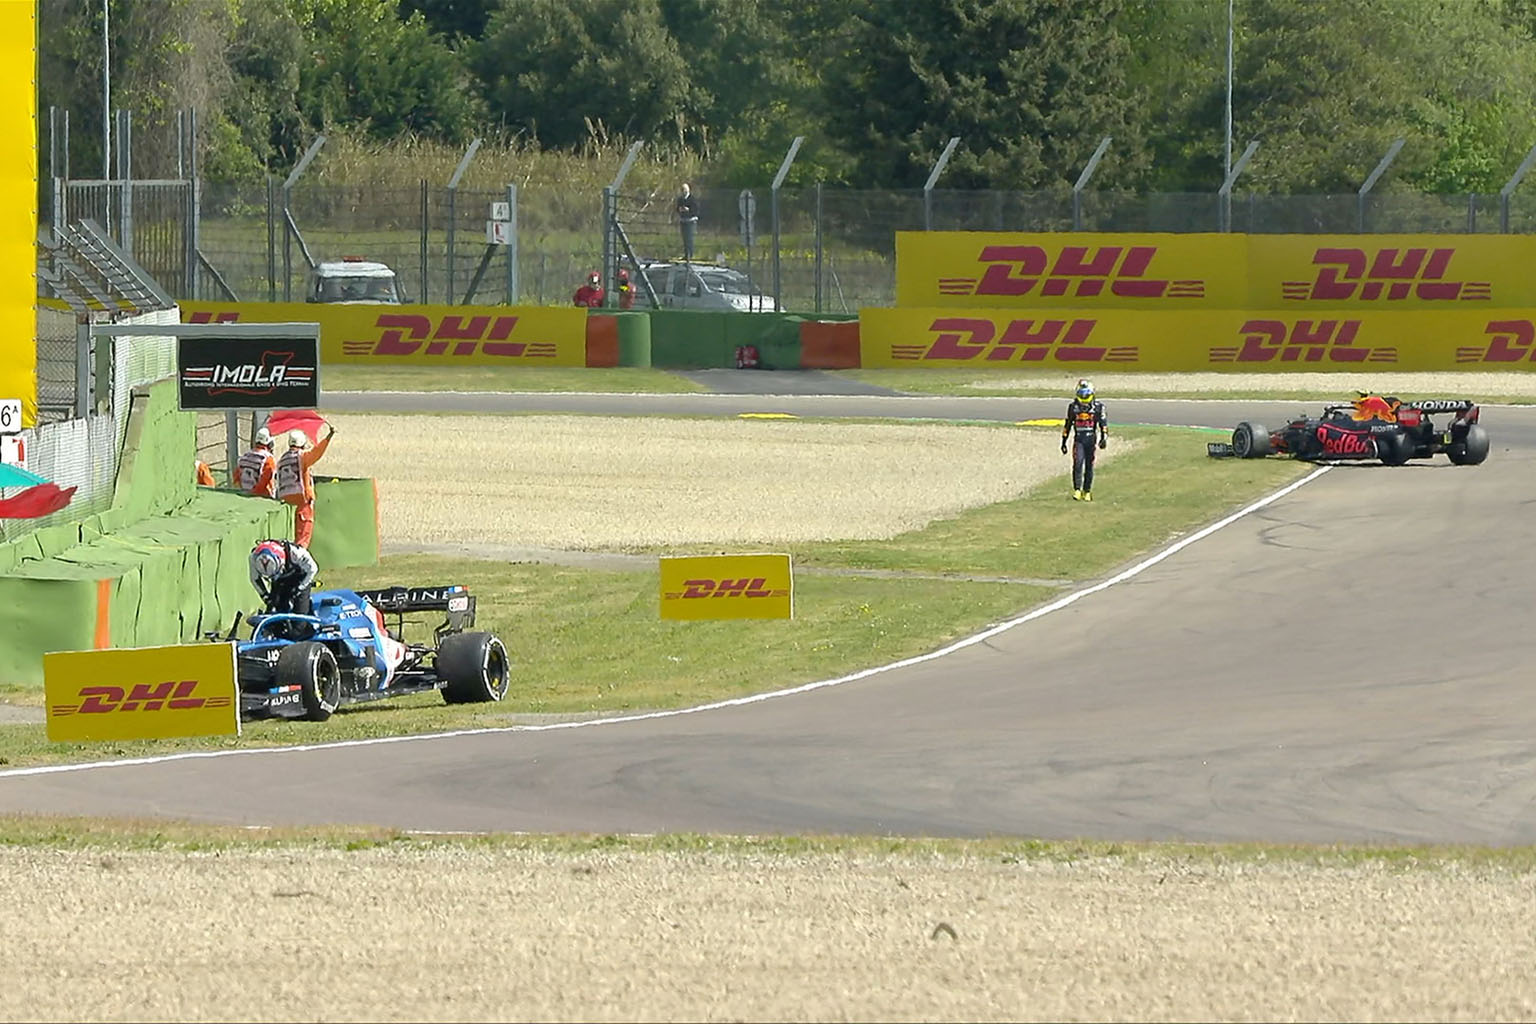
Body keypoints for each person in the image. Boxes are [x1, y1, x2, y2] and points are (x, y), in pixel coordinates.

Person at [276, 424, 335, 547]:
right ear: (302, 443)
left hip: (286, 503)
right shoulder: (302, 457)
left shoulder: (282, 459)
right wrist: (328, 437)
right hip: (303, 502)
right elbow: (317, 453)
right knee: (303, 538)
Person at [1061, 378, 1108, 501]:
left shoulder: (1099, 407)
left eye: (1085, 394)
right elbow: (1068, 424)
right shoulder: (1072, 407)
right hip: (1079, 440)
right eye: (1081, 394)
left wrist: (1104, 438)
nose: (1083, 397)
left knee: (1089, 465)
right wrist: (1063, 442)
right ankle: (1077, 489)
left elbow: (1103, 424)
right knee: (1077, 463)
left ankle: (1087, 491)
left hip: (1091, 440)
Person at [249, 538, 318, 617]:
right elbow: (254, 579)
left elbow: (313, 569)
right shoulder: (253, 557)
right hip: (279, 581)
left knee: (300, 616)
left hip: (300, 578)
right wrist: (265, 596)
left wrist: (300, 588)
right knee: (273, 611)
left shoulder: (296, 553)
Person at [235, 426, 277, 498]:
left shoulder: (244, 457)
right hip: (262, 497)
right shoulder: (268, 459)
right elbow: (266, 480)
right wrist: (255, 493)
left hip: (243, 496)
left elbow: (236, 478)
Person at [675, 182, 699, 261]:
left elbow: (695, 211)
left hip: (691, 222)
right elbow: (677, 209)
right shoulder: (680, 199)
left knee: (690, 238)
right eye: (682, 189)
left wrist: (688, 210)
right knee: (684, 239)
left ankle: (690, 255)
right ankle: (686, 254)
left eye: (685, 189)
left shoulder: (693, 199)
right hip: (683, 221)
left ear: (688, 190)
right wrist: (680, 210)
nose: (683, 191)